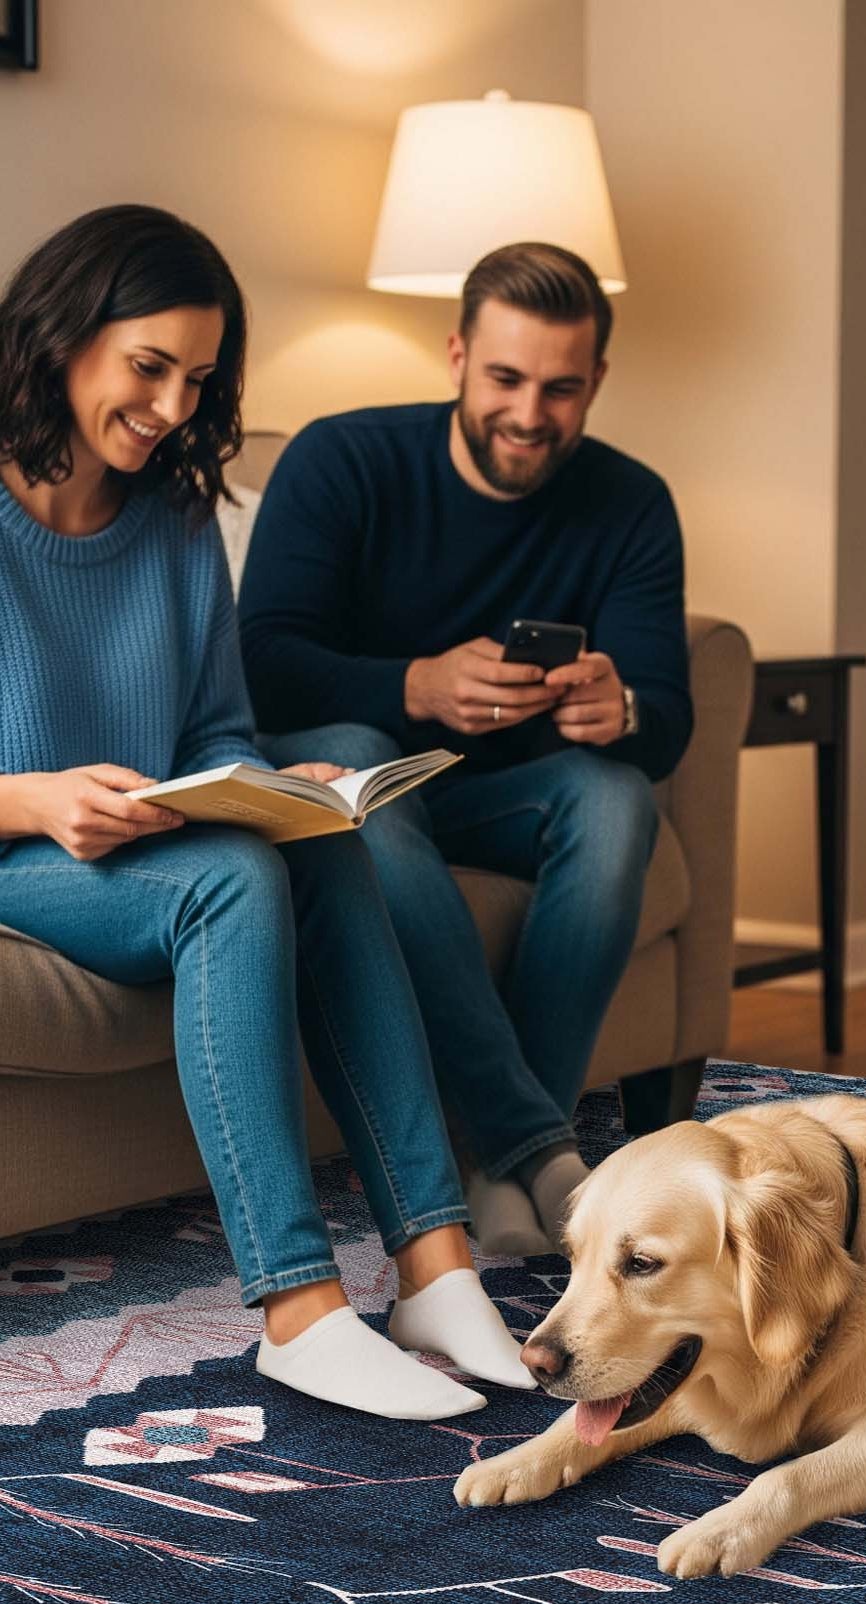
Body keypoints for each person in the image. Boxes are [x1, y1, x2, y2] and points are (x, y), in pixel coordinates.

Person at [0, 204, 535, 1419]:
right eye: (148, 368)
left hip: (134, 842)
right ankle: (296, 1307)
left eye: (198, 379)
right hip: (16, 845)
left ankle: (434, 1263)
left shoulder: (178, 512)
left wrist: (267, 786)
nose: (174, 408)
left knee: (314, 843)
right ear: (61, 335)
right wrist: (31, 798)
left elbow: (212, 731)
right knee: (234, 878)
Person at [238, 242, 691, 1256]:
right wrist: (413, 682)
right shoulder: (341, 459)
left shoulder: (630, 502)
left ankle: (496, 1161)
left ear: (596, 383)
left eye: (561, 388)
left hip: (500, 794)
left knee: (616, 795)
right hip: (351, 771)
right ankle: (536, 1145)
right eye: (505, 378)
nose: (530, 414)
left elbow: (667, 712)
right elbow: (260, 662)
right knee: (361, 755)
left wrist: (621, 709)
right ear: (455, 356)